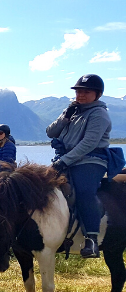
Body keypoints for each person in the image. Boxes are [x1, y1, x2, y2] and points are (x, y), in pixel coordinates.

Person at [46, 74, 110, 258]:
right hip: (65, 158)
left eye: (86, 91)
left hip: (90, 160)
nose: (80, 95)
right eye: (78, 91)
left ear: (97, 94)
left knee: (83, 192)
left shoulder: (99, 114)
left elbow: (89, 143)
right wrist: (65, 117)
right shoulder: (73, 111)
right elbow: (51, 132)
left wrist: (64, 161)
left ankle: (91, 240)